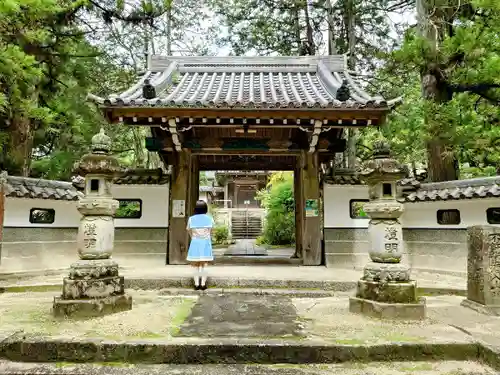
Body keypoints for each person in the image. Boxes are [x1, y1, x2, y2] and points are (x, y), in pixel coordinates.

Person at [186, 200, 215, 290]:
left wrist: (193, 237)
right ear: (205, 209)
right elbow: (212, 231)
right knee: (204, 264)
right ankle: (203, 284)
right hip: (206, 243)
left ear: (195, 209)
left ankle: (196, 284)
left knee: (195, 264)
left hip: (195, 243)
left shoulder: (191, 219)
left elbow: (188, 229)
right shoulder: (209, 219)